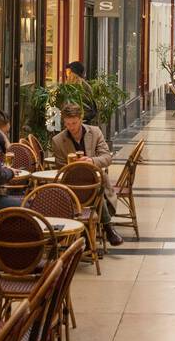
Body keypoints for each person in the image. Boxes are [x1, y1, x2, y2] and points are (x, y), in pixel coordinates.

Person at [51, 102, 123, 247]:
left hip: (95, 183)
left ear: (81, 118)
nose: (71, 127)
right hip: (71, 187)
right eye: (68, 123)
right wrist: (71, 167)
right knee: (96, 191)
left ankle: (88, 235)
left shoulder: (95, 132)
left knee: (96, 188)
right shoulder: (58, 140)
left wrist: (91, 160)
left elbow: (107, 158)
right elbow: (59, 168)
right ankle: (107, 228)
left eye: (74, 123)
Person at [64, 61, 99, 125]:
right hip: (84, 120)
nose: (67, 75)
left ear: (73, 73)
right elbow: (92, 105)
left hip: (74, 121)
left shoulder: (68, 87)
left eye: (69, 72)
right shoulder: (86, 86)